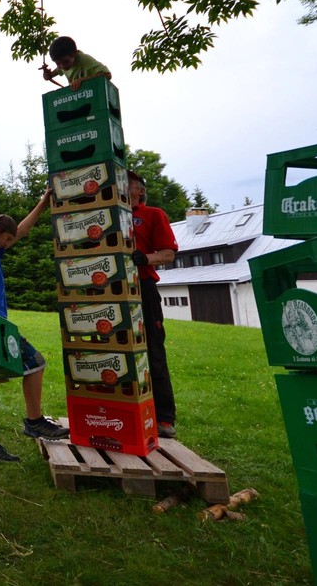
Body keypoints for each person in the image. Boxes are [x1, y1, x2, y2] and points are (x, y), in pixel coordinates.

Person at [0, 194, 69, 463]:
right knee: (34, 364)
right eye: (7, 239)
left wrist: (43, 202)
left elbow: (23, 229)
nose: (8, 244)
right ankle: (32, 422)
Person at [128, 170, 179, 439]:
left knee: (153, 350)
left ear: (140, 191)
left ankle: (164, 418)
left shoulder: (153, 214)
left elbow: (168, 254)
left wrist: (145, 258)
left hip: (144, 289)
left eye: (128, 184)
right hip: (114, 291)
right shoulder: (109, 215)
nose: (122, 187)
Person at [42, 35, 112, 90]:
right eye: (58, 63)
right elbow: (52, 74)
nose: (62, 66)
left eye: (66, 61)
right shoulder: (62, 66)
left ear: (75, 53)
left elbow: (107, 75)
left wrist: (83, 80)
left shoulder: (84, 60)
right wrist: (48, 75)